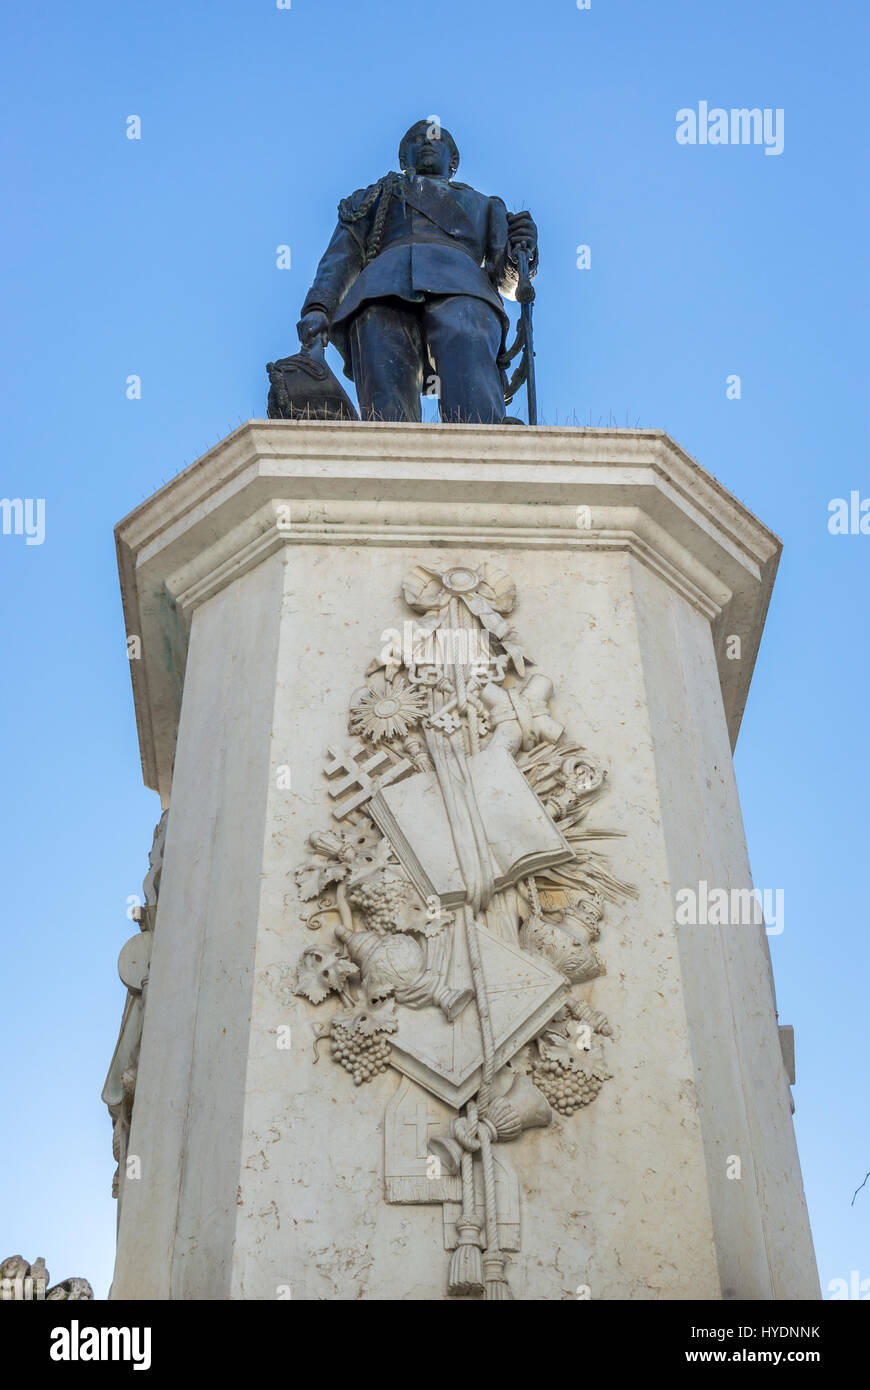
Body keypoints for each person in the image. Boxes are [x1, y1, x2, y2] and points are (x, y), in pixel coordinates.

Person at [297, 120, 538, 423]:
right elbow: (342, 254)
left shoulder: (486, 206)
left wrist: (521, 251)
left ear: (453, 162)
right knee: (387, 412)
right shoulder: (374, 197)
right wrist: (318, 307)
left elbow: (508, 283)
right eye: (416, 139)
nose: (426, 142)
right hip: (380, 292)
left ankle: (486, 461)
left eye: (436, 140)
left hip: (465, 291)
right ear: (402, 160)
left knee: (475, 403)